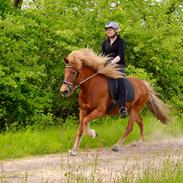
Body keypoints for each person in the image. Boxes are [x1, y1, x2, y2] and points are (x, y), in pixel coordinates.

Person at [101, 21, 127, 117]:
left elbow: (120, 55)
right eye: (107, 30)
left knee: (121, 82)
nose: (108, 31)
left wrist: (111, 62)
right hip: (107, 67)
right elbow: (102, 55)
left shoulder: (120, 42)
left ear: (116, 31)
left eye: (110, 30)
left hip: (118, 66)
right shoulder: (104, 43)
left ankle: (123, 107)